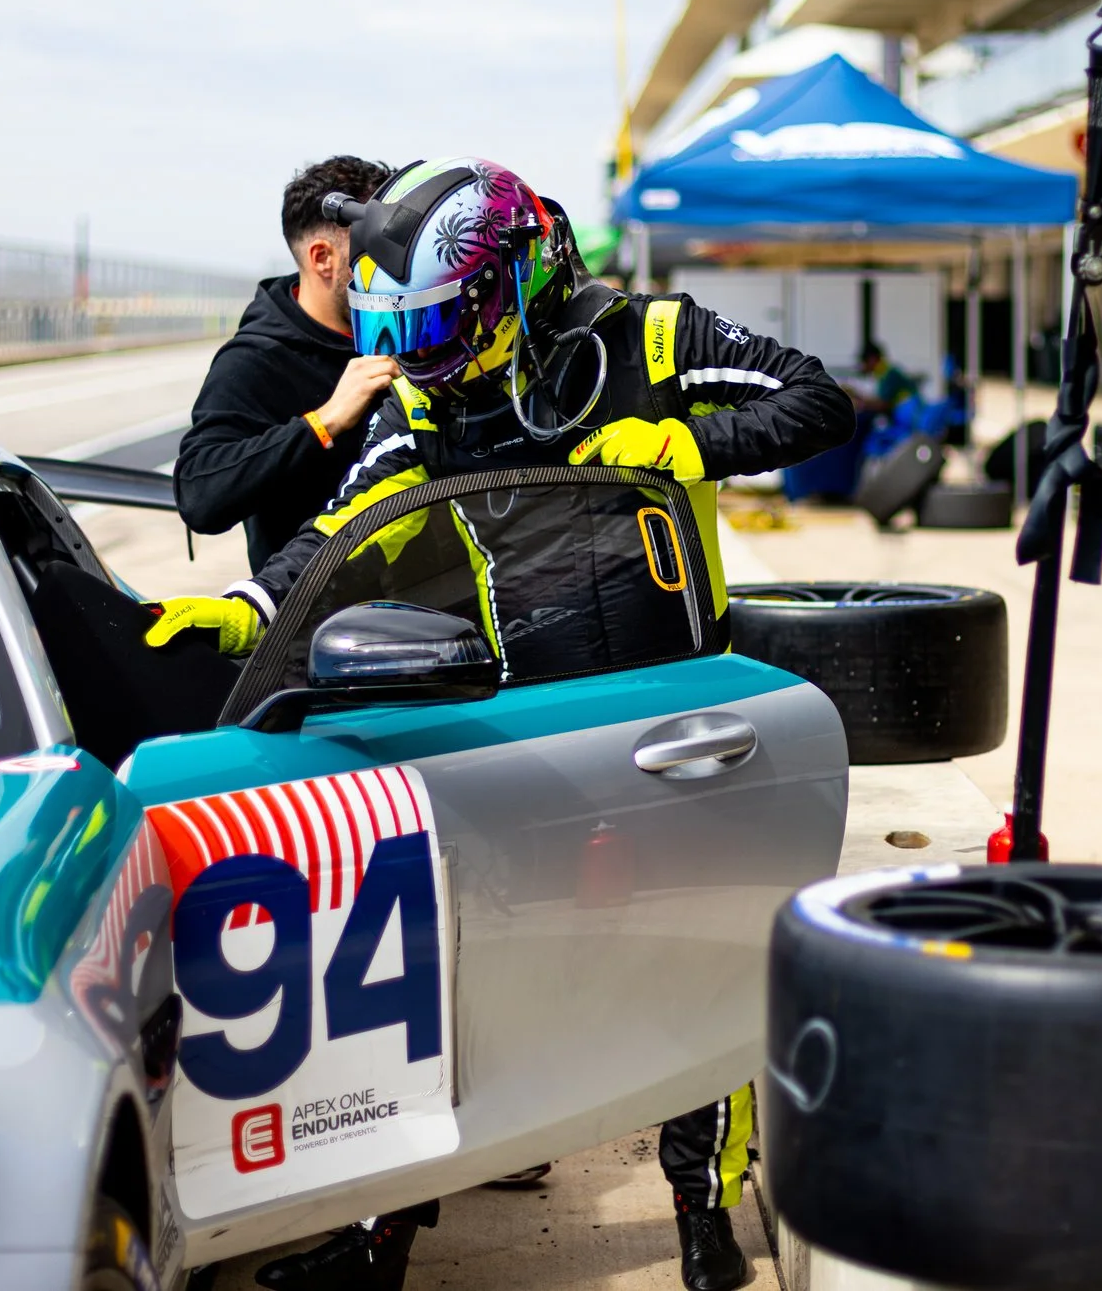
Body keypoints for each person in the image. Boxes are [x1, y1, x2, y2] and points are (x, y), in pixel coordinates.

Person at [147, 157, 854, 1291]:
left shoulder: (651, 337)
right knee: (465, 979)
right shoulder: (424, 397)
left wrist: (690, 446)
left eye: (438, 323)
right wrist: (242, 614)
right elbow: (338, 529)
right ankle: (388, 1227)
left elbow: (820, 398)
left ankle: (702, 1214)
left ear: (509, 282)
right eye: (402, 327)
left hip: (677, 710)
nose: (421, 352)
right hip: (518, 724)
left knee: (703, 964)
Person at [174, 156, 402, 570]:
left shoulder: (409, 328)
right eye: (376, 248)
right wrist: (325, 421)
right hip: (315, 615)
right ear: (322, 258)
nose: (395, 265)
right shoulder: (256, 360)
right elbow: (199, 493)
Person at [856, 340, 917, 415]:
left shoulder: (888, 373)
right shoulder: (884, 371)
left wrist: (859, 402)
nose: (862, 367)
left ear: (872, 359)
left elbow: (883, 404)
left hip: (907, 413)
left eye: (864, 362)